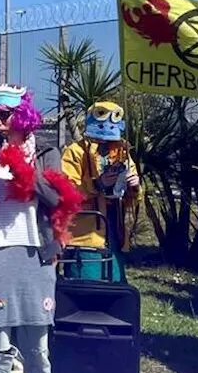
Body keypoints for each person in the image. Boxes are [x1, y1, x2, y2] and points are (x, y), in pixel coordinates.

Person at [0, 84, 81, 373]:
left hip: (36, 257)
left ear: (22, 115)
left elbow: (58, 198)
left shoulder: (46, 153)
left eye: (5, 115)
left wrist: (22, 169)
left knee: (37, 350)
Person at [60, 101, 142, 281]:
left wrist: (134, 185)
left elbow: (134, 193)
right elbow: (67, 190)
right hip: (84, 234)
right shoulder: (75, 152)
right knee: (85, 283)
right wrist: (96, 184)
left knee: (114, 284)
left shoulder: (121, 150)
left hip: (115, 229)